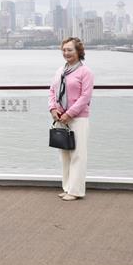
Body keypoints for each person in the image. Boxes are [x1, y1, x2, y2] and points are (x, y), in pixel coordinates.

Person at [48, 37, 94, 201]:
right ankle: (67, 187)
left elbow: (85, 97)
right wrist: (53, 109)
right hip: (60, 116)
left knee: (77, 155)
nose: (66, 53)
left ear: (78, 52)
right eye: (64, 50)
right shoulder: (60, 70)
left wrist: (70, 114)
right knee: (65, 155)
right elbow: (52, 91)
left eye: (70, 50)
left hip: (78, 118)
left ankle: (75, 191)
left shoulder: (85, 72)